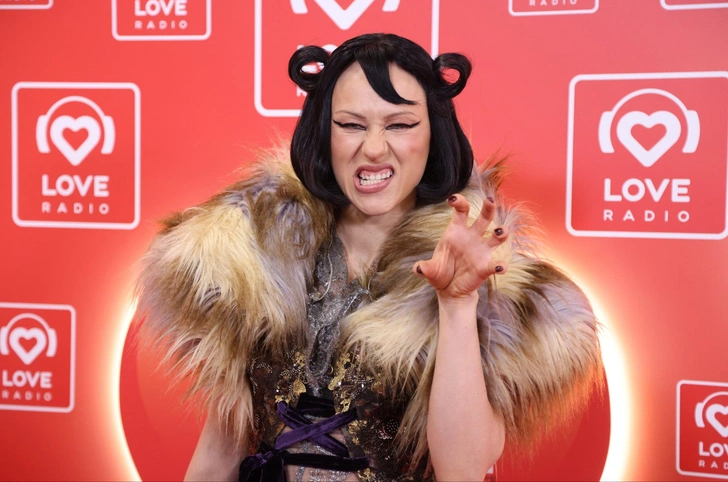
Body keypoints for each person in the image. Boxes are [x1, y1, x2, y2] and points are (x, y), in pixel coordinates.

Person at [136, 33, 603, 481]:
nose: (374, 148)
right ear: (324, 132)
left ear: (434, 134)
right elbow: (223, 446)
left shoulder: (486, 270)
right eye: (351, 125)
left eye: (400, 125)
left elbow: (462, 471)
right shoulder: (256, 257)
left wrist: (457, 304)